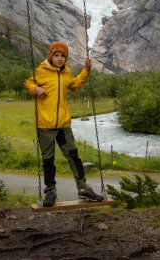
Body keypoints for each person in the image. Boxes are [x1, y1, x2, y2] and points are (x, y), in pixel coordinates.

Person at [24, 41, 104, 207]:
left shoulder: (67, 73)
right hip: (45, 125)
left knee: (73, 157)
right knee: (48, 160)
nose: (60, 59)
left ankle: (83, 189)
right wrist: (36, 89)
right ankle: (50, 192)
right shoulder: (41, 71)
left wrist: (86, 71)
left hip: (63, 125)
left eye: (63, 56)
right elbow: (28, 84)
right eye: (56, 55)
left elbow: (74, 85)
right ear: (51, 56)